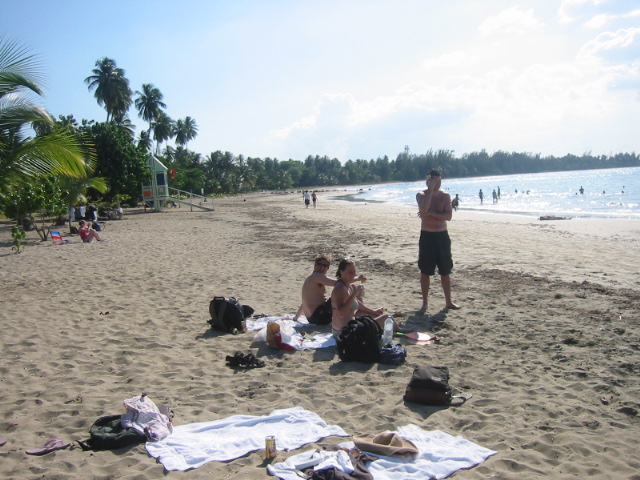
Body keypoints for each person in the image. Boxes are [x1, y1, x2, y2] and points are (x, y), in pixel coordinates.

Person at [416, 170, 459, 314]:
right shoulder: (421, 195)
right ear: (428, 181)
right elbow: (423, 209)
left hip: (442, 235)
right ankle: (425, 303)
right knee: (425, 270)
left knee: (445, 270)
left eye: (439, 181)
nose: (438, 184)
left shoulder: (445, 196)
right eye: (435, 181)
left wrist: (431, 214)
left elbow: (448, 216)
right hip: (427, 236)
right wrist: (430, 190)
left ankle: (448, 301)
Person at [293, 255, 365, 324]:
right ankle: (364, 313)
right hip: (319, 316)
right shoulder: (317, 276)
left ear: (328, 268)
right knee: (351, 289)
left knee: (349, 289)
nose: (322, 267)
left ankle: (362, 313)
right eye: (319, 264)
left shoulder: (311, 279)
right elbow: (340, 283)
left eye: (325, 266)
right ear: (315, 265)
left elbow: (305, 302)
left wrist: (296, 317)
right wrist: (358, 278)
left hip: (312, 318)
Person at [331, 258, 392, 338]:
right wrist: (354, 294)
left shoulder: (347, 284)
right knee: (386, 317)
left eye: (354, 272)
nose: (353, 274)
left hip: (349, 327)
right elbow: (341, 313)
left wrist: (373, 311)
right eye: (350, 272)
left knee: (370, 315)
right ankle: (400, 330)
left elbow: (358, 305)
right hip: (344, 332)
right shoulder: (340, 288)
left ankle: (393, 329)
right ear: (341, 272)